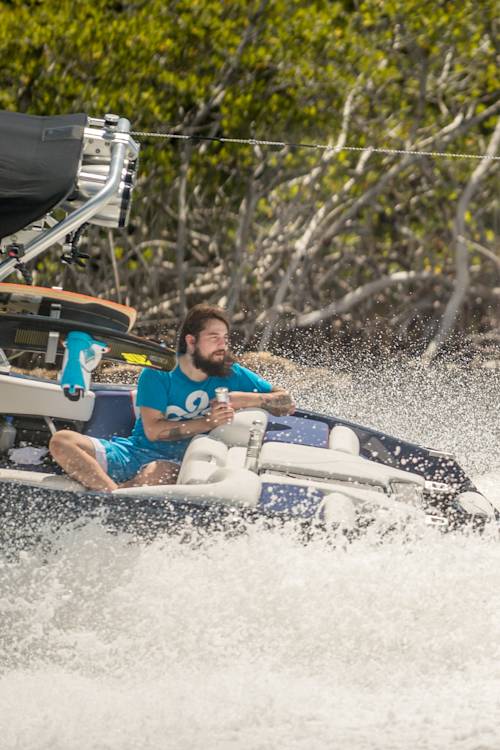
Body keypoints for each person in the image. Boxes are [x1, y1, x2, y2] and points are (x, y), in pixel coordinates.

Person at [49, 304, 295, 492]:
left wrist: (240, 399)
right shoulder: (159, 374)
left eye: (225, 338)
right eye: (214, 338)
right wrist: (208, 423)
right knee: (62, 441)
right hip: (134, 452)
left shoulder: (231, 373)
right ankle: (113, 497)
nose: (223, 345)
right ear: (191, 341)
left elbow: (285, 400)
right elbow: (154, 431)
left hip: (178, 462)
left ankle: (113, 499)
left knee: (159, 471)